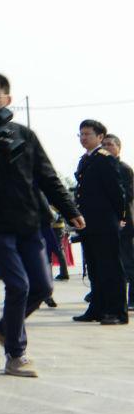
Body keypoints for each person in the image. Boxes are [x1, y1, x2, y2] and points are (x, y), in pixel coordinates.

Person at [0, 72, 83, 378]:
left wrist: (70, 210)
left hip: (30, 220)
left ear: (7, 99)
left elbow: (47, 176)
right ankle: (16, 354)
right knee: (18, 284)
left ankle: (5, 329)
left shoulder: (24, 135)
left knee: (43, 286)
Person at [72, 120, 128, 324]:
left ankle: (117, 312)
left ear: (100, 137)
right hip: (88, 223)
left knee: (111, 267)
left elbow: (117, 192)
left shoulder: (105, 159)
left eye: (87, 134)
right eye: (81, 134)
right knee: (95, 268)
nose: (83, 138)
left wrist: (120, 218)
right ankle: (96, 308)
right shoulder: (85, 160)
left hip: (105, 222)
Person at [103, 135, 134, 306]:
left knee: (127, 263)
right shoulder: (102, 166)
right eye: (104, 145)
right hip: (106, 223)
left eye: (110, 144)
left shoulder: (124, 168)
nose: (106, 147)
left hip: (124, 222)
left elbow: (128, 196)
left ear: (118, 148)